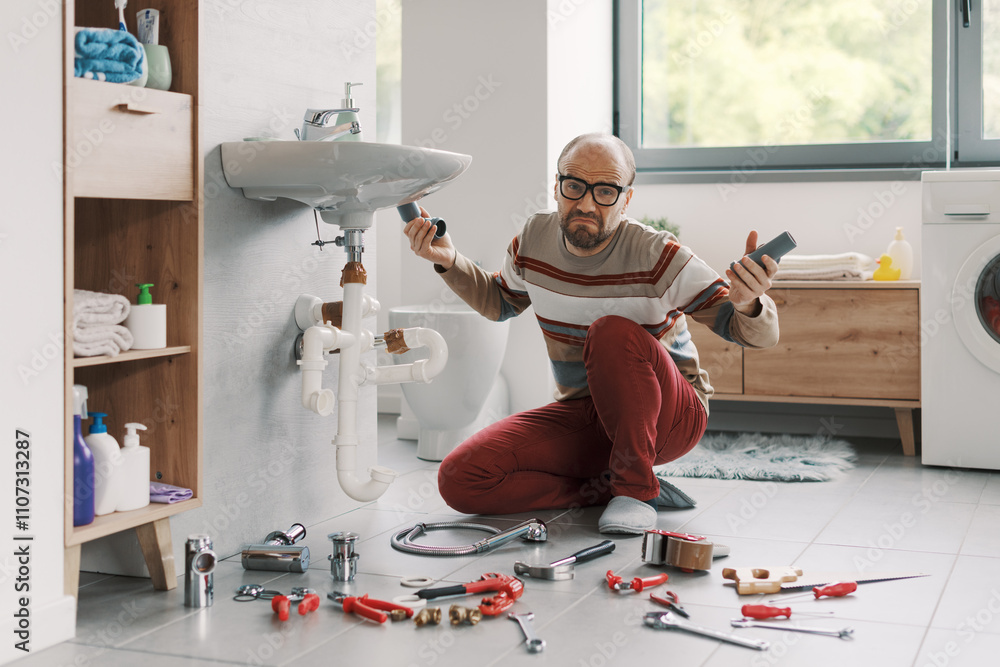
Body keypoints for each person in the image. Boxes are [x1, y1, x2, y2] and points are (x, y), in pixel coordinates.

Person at [403, 133, 779, 534]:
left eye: (605, 191)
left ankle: (636, 492)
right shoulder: (533, 240)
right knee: (461, 478)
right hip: (586, 413)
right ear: (557, 186)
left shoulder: (658, 254)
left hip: (670, 418)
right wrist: (449, 260)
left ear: (626, 200)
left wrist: (748, 303)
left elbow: (752, 333)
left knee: (611, 332)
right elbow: (500, 303)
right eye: (574, 186)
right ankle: (605, 489)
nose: (585, 203)